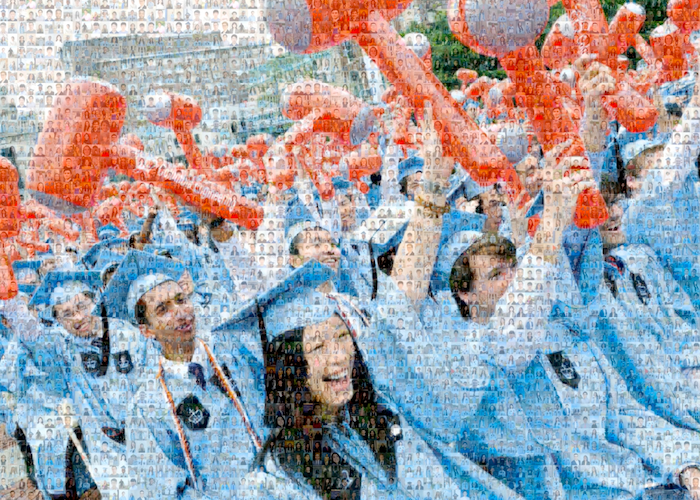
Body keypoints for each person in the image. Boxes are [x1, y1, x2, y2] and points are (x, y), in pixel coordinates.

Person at [221, 261, 506, 500]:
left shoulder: (379, 413)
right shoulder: (276, 479)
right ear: (292, 370)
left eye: (342, 336)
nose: (339, 357)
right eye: (318, 347)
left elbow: (438, 489)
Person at [101, 250, 266, 498]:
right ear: (146, 331)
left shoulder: (235, 351)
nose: (180, 312)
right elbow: (163, 490)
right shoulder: (147, 406)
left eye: (181, 299)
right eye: (163, 309)